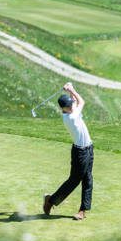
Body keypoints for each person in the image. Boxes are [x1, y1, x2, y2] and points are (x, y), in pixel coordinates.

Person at [43, 82, 93, 221]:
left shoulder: (71, 110)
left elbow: (76, 101)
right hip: (80, 153)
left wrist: (70, 91)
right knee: (74, 181)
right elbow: (81, 101)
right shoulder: (70, 117)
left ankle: (83, 210)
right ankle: (50, 200)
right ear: (63, 108)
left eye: (71, 104)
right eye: (69, 105)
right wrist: (72, 89)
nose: (72, 106)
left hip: (89, 148)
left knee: (88, 179)